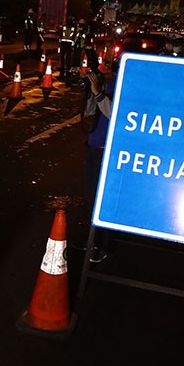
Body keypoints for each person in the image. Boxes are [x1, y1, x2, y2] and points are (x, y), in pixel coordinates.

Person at [82, 63, 118, 263]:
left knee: (103, 201)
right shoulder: (108, 84)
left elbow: (117, 115)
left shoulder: (127, 86)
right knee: (90, 199)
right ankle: (92, 241)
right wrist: (89, 93)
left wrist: (99, 94)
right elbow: (90, 112)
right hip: (93, 148)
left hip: (107, 152)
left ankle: (104, 246)